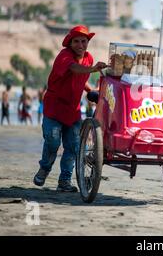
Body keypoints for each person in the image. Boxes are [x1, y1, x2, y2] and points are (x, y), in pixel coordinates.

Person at [33, 25, 107, 192]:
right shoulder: (64, 56)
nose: (80, 44)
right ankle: (44, 168)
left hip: (73, 110)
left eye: (84, 41)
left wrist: (90, 91)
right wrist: (94, 68)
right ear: (70, 43)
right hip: (54, 107)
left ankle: (64, 181)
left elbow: (80, 78)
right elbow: (74, 69)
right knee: (52, 142)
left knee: (73, 146)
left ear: (88, 42)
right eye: (77, 41)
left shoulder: (88, 58)